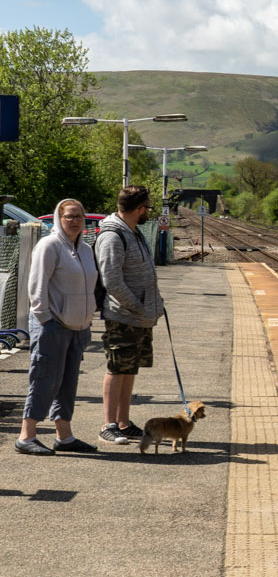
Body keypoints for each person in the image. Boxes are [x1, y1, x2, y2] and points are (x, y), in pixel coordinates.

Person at [16, 199, 100, 455]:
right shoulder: (49, 245)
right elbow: (37, 285)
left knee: (67, 382)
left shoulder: (85, 249)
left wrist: (87, 318)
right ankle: (26, 436)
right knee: (44, 380)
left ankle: (64, 436)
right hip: (53, 325)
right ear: (58, 219)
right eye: (69, 216)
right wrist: (44, 319)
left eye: (79, 216)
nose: (75, 221)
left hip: (78, 326)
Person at [96, 185, 164, 445]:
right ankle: (108, 425)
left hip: (140, 316)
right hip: (123, 316)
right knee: (116, 368)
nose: (148, 211)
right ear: (139, 208)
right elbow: (112, 280)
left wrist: (154, 304)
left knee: (129, 369)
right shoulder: (114, 237)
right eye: (147, 207)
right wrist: (136, 305)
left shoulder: (134, 232)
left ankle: (123, 422)